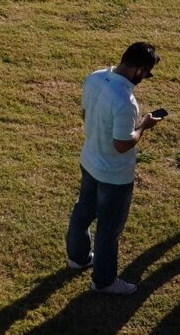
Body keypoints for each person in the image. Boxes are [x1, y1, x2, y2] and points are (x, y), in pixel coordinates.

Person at [71, 43, 168, 295]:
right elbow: (123, 143)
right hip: (114, 174)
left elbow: (85, 113)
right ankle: (104, 281)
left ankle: (77, 257)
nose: (145, 79)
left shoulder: (94, 77)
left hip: (89, 159)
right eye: (146, 74)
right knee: (109, 229)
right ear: (138, 69)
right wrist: (144, 126)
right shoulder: (126, 102)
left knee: (83, 210)